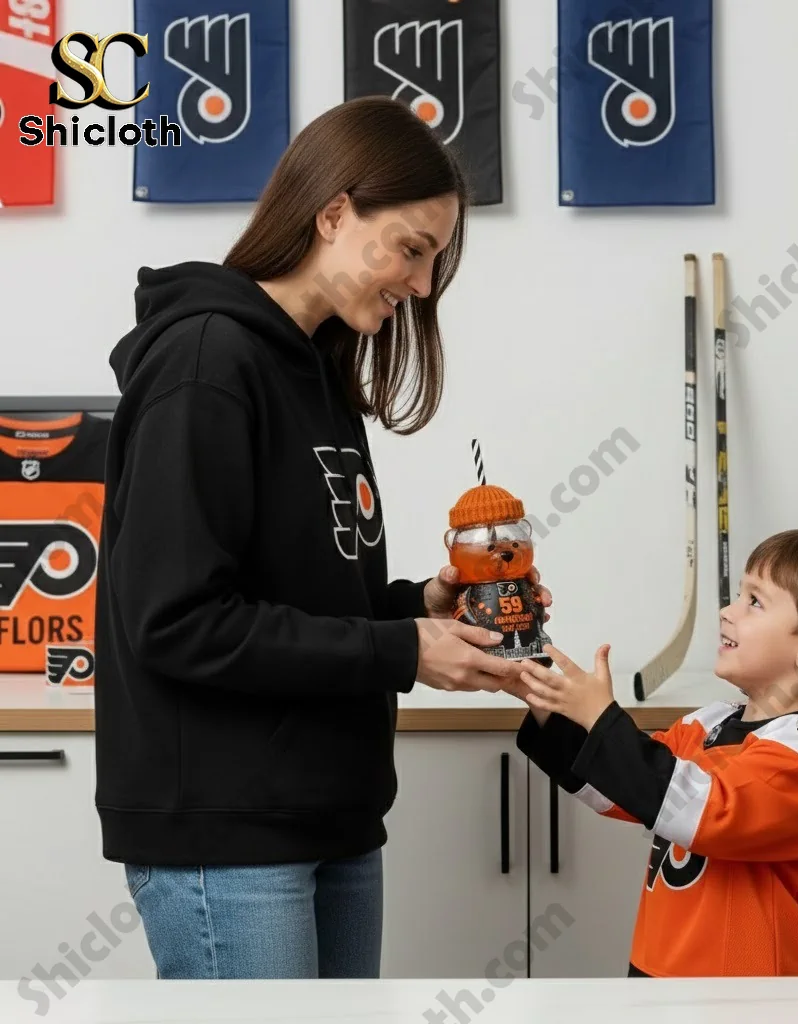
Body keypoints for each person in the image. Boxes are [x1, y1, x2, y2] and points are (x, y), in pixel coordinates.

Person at [93, 97, 550, 981]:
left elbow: (299, 606)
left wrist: (419, 609)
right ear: (334, 213)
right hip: (229, 833)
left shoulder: (318, 375)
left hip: (332, 817)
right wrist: (400, 651)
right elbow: (179, 621)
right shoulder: (206, 364)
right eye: (413, 249)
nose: (421, 285)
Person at [511, 528, 798, 978]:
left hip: (752, 995)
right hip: (662, 968)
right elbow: (626, 789)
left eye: (754, 601)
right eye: (739, 595)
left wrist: (603, 718)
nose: (727, 610)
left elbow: (706, 809)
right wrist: (545, 696)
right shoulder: (710, 721)